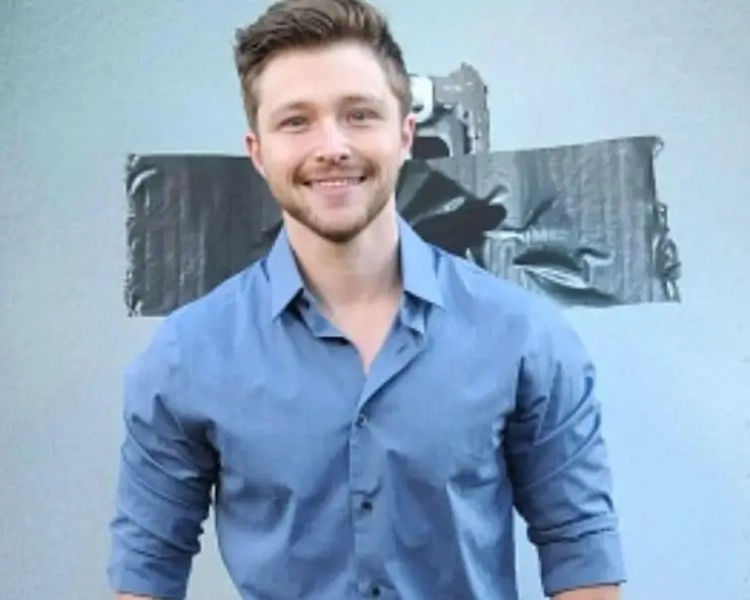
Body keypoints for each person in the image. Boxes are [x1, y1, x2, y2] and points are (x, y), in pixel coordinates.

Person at [107, 0, 626, 598]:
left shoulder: (523, 337)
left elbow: (580, 546)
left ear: (405, 135)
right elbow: (148, 567)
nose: (331, 146)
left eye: (359, 115)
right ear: (258, 151)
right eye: (295, 121)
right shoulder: (187, 355)